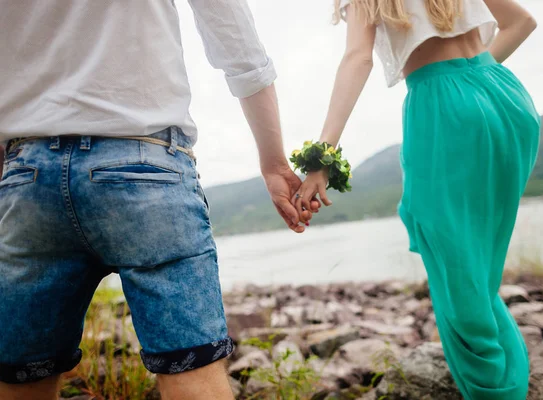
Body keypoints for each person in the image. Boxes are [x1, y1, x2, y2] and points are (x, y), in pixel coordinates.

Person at [0, 1, 318, 399]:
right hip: (145, 166)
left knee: (22, 381)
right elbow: (238, 43)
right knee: (193, 375)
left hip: (26, 176)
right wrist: (273, 163)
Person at [295, 0, 540, 399]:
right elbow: (522, 22)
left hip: (444, 106)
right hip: (505, 96)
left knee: (455, 262)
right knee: (478, 260)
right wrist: (473, 85)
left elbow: (358, 59)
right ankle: (507, 375)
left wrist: (320, 160)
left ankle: (496, 389)